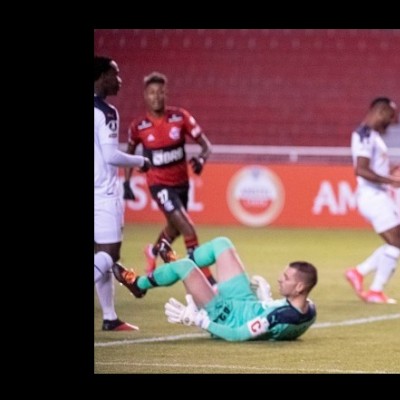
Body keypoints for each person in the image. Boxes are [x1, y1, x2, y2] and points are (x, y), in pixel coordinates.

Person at [112, 237, 318, 341]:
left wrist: (201, 321)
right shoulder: (310, 310)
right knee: (222, 244)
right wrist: (266, 301)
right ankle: (179, 264)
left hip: (225, 315)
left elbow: (237, 335)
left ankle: (138, 285)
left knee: (183, 268)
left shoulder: (279, 316)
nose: (279, 279)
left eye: (286, 278)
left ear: (300, 286)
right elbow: (287, 321)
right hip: (247, 302)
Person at [123, 71, 215, 285]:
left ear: (166, 94)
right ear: (145, 96)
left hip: (182, 184)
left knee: (173, 229)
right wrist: (127, 182)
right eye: (152, 92)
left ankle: (152, 251)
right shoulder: (139, 127)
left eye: (160, 92)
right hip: (159, 185)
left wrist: (201, 160)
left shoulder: (180, 117)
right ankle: (208, 280)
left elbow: (206, 146)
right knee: (187, 229)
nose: (156, 96)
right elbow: (129, 153)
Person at [94, 56, 151, 331]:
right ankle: (109, 317)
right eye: (114, 74)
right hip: (102, 194)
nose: (119, 80)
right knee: (110, 254)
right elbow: (111, 156)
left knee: (99, 255)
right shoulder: (105, 112)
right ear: (101, 76)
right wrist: (142, 161)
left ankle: (109, 317)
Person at [344, 97, 400, 304]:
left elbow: (373, 167)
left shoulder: (372, 136)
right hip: (371, 196)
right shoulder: (363, 135)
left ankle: (359, 272)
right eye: (389, 118)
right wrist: (392, 180)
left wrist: (390, 171)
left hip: (378, 194)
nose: (390, 122)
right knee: (397, 242)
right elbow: (361, 170)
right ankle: (374, 289)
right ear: (380, 112)